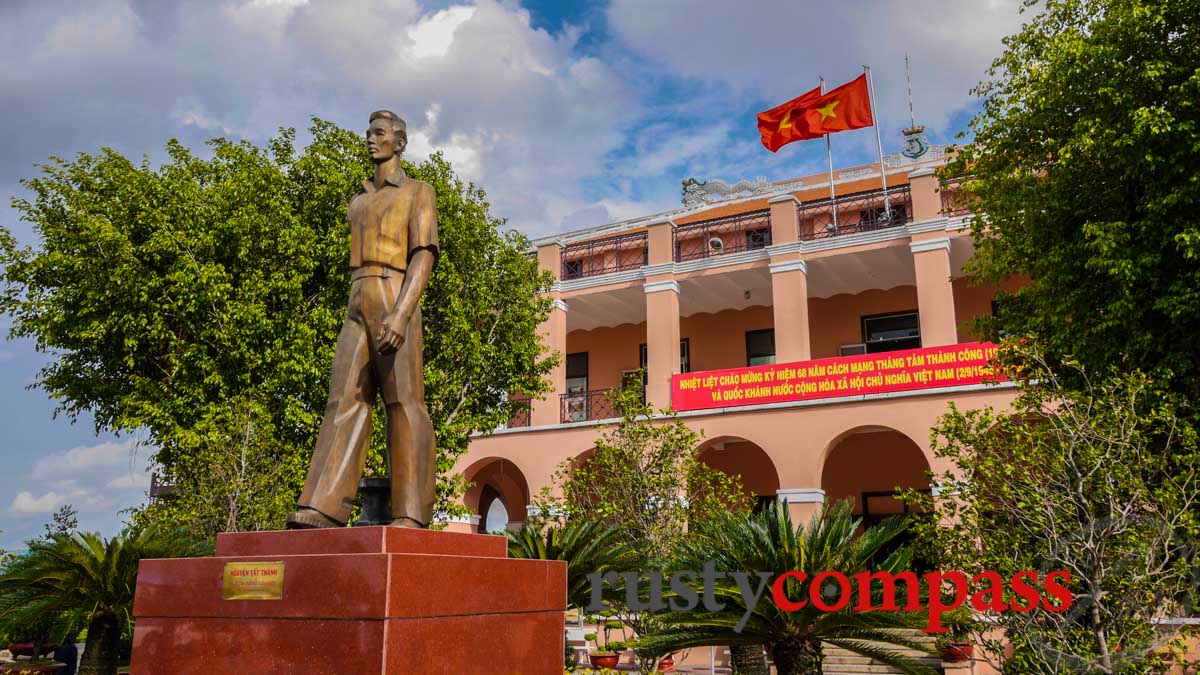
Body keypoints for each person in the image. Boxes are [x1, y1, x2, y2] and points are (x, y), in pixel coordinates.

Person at [286, 110, 438, 530]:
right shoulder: (359, 200)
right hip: (358, 294)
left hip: (395, 290)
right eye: (369, 132)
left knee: (404, 403)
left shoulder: (418, 192)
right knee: (345, 397)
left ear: (399, 142)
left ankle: (410, 512)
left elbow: (423, 253)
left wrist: (402, 313)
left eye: (380, 133)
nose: (371, 139)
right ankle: (324, 505)